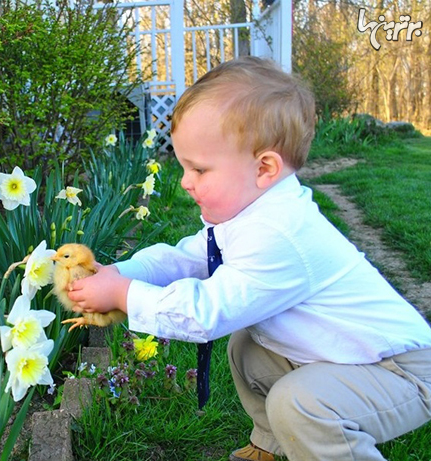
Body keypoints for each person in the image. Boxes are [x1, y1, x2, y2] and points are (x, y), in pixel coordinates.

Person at [67, 56, 431, 461]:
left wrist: (123, 294)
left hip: (399, 371)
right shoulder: (252, 212)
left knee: (300, 403)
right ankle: (270, 447)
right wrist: (120, 272)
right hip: (348, 357)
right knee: (247, 348)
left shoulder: (280, 234)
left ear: (264, 168)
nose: (185, 182)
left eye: (199, 169)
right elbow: (185, 259)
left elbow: (207, 314)